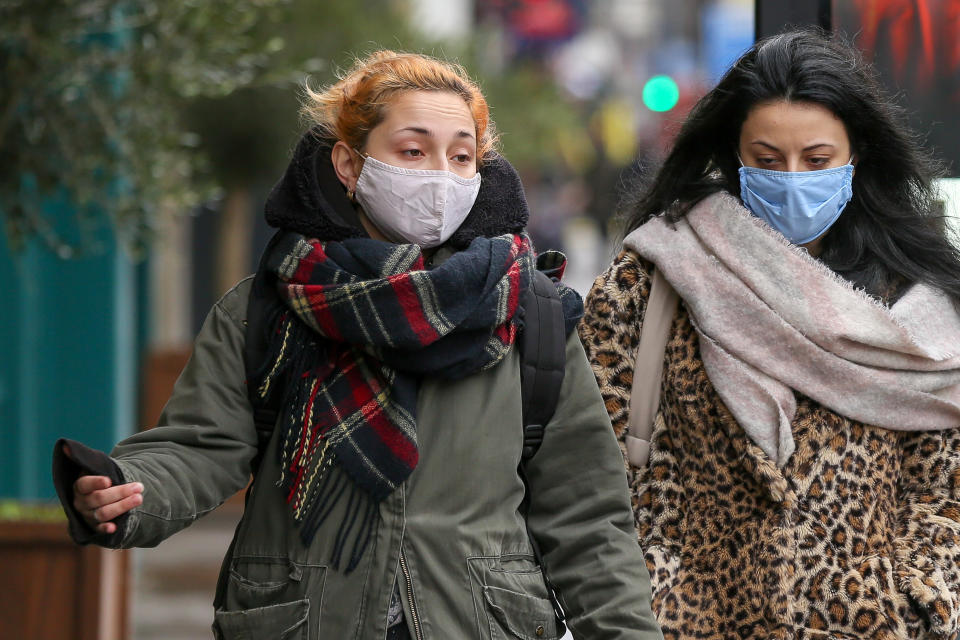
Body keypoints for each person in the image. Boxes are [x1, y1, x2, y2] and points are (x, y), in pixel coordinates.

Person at [52, 51, 663, 640]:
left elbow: (588, 520)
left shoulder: (531, 317)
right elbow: (200, 446)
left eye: (461, 156)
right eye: (413, 150)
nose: (439, 177)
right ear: (349, 165)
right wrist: (128, 491)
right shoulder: (267, 307)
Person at [578, 29, 960, 639]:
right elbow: (594, 475)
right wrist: (657, 602)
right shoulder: (655, 280)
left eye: (816, 160)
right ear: (734, 156)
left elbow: (944, 490)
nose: (791, 179)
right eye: (766, 159)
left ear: (856, 154)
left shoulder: (915, 302)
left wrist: (916, 607)